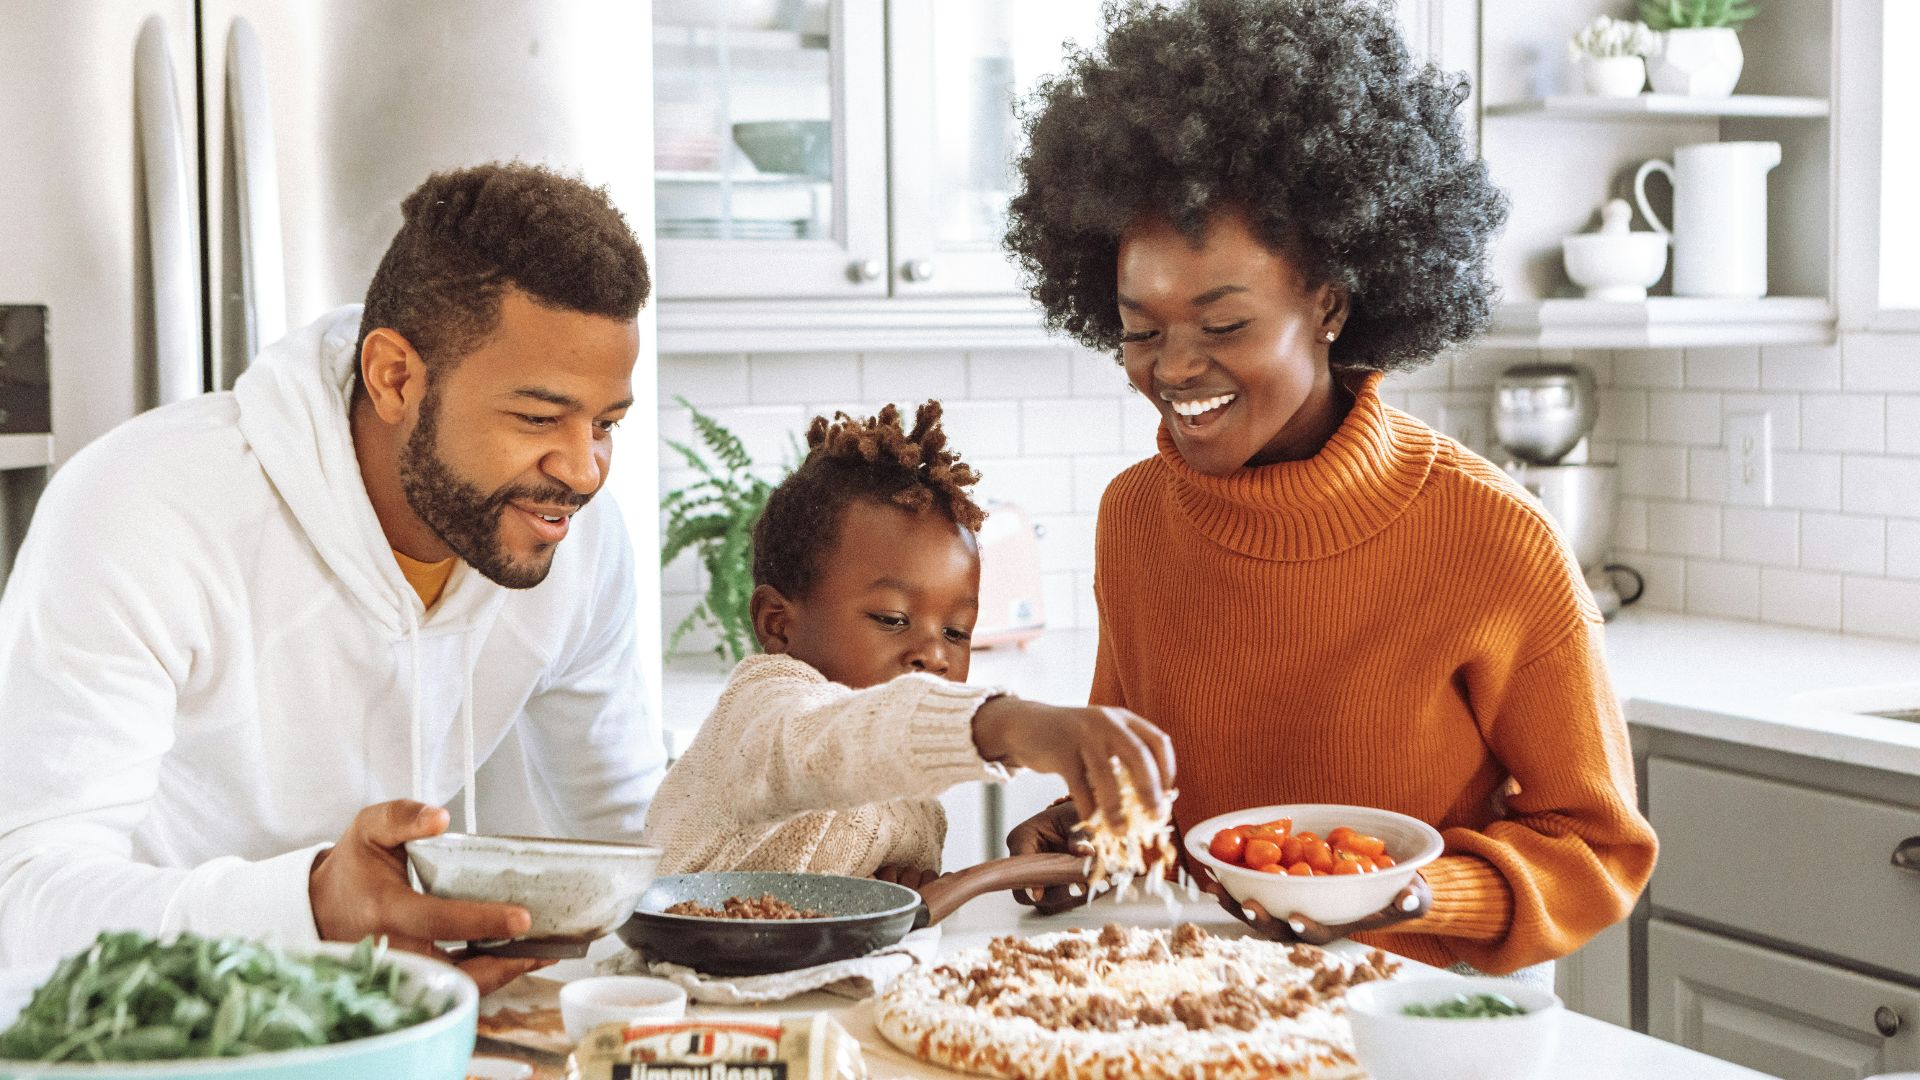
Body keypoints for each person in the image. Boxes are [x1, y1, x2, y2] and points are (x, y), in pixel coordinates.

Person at [1000, 0, 1657, 978]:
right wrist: (1076, 839)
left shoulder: (1493, 539)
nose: (1174, 368)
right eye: (1142, 328)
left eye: (1223, 325)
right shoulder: (1134, 519)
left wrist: (1406, 893)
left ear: (1332, 305)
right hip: (1191, 1011)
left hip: (1411, 1030)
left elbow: (1598, 847)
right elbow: (1140, 793)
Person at [0, 163, 664, 992]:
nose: (584, 470)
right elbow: (21, 903)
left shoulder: (569, 541)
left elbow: (634, 840)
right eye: (538, 417)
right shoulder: (141, 510)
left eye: (605, 424)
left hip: (397, 1033)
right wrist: (310, 904)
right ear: (394, 377)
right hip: (147, 1041)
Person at [640, 403, 1173, 890]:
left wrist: (893, 894)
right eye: (893, 619)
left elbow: (844, 902)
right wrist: (1006, 724)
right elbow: (829, 744)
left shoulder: (914, 797)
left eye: (956, 632)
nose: (934, 655)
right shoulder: (764, 709)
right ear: (778, 624)